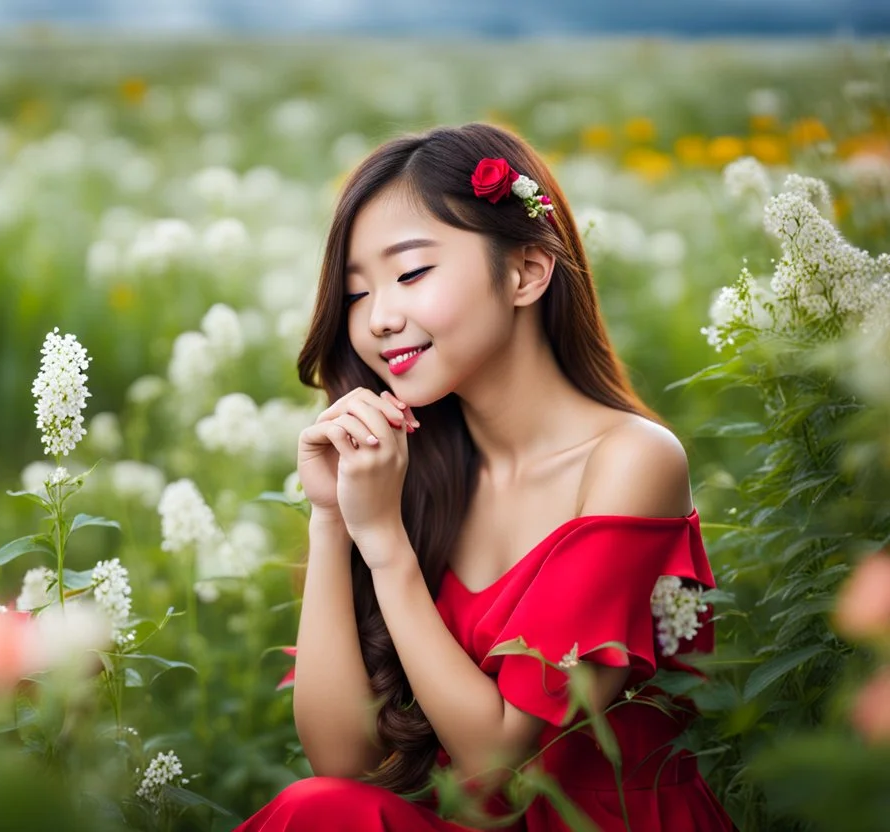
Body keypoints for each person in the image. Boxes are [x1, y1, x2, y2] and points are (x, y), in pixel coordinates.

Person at [235, 123, 737, 831]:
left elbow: (499, 762)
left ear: (527, 272)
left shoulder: (631, 460)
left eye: (411, 274)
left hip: (603, 822)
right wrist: (333, 519)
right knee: (317, 808)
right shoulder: (418, 470)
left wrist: (384, 542)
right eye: (355, 293)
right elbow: (342, 762)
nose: (379, 318)